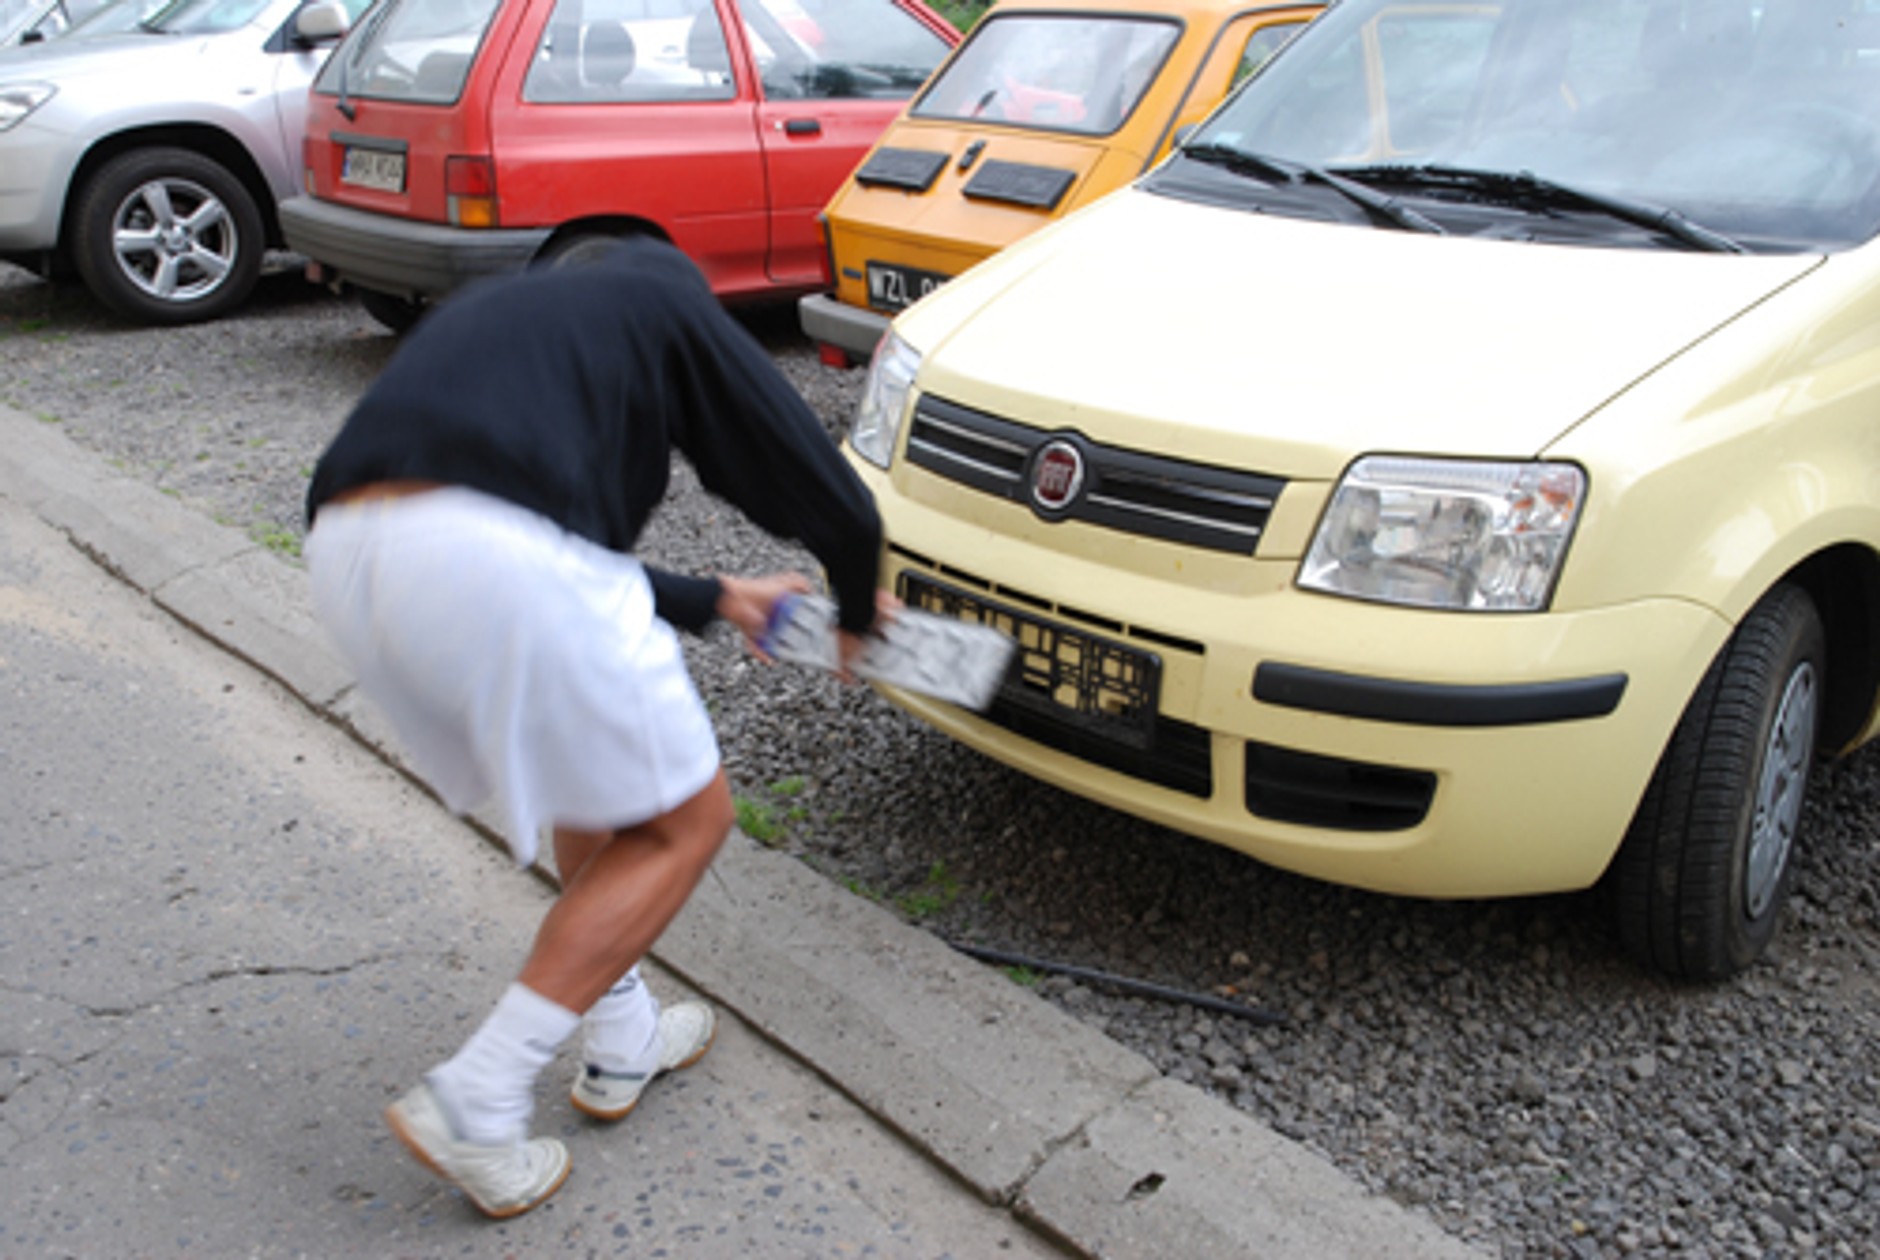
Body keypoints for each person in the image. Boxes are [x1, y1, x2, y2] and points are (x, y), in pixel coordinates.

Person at [302, 237, 888, 1218]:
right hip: (492, 557)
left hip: (348, 552)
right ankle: (478, 1096)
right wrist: (862, 618)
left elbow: (503, 522)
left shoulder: (504, 316)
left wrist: (717, 598)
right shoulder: (658, 301)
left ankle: (622, 1039)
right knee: (683, 823)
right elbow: (820, 487)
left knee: (599, 791)